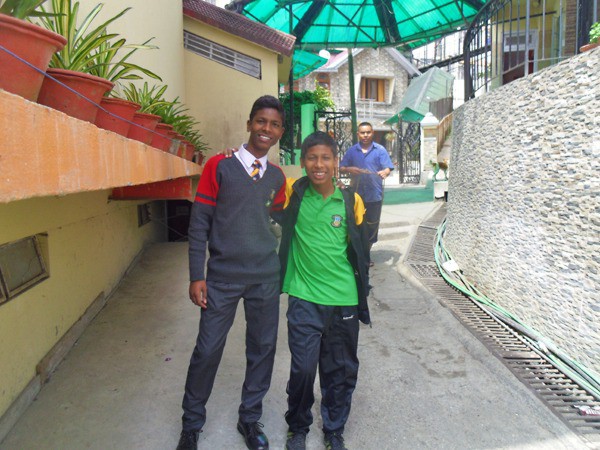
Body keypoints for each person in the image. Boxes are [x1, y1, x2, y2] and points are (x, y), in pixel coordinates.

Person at [177, 95, 286, 450]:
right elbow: (200, 224)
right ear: (249, 123)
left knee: (262, 348)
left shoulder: (277, 177)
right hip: (222, 278)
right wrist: (197, 274)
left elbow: (278, 222)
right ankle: (191, 424)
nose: (266, 129)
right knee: (207, 349)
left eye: (274, 124)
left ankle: (249, 418)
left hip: (264, 278)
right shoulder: (219, 166)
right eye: (261, 121)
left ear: (281, 132)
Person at [279, 131, 371, 450]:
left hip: (343, 299)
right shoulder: (292, 192)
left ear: (336, 162)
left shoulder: (351, 201)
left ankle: (334, 429)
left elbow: (360, 249)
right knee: (303, 369)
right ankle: (298, 427)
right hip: (303, 296)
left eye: (326, 158)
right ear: (303, 162)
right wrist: (232, 156)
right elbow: (257, 178)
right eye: (312, 158)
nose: (319, 164)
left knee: (340, 371)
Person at [339, 122, 394, 266]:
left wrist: (385, 172)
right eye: (362, 133)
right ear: (358, 134)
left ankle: (365, 256)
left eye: (368, 132)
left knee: (371, 227)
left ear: (372, 133)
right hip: (355, 196)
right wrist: (350, 169)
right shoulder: (352, 151)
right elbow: (341, 168)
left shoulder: (380, 150)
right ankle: (358, 256)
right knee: (355, 226)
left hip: (374, 195)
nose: (365, 135)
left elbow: (388, 167)